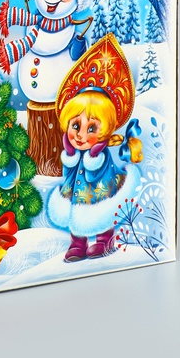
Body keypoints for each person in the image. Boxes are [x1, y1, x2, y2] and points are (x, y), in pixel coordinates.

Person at [46, 34, 143, 261]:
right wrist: (70, 156)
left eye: (91, 128)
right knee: (75, 212)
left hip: (99, 190)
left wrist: (93, 158)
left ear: (105, 129)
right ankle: (77, 243)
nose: (81, 135)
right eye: (76, 126)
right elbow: (68, 173)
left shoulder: (100, 153)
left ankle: (104, 239)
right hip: (77, 191)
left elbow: (97, 174)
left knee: (101, 212)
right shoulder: (73, 150)